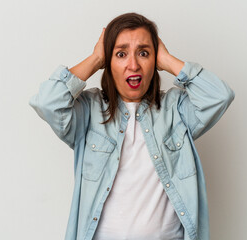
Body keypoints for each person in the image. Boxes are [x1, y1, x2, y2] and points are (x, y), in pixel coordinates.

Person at [29, 12, 234, 240]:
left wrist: (166, 60)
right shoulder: (88, 111)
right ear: (109, 62)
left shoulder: (176, 109)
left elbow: (219, 96)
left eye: (144, 53)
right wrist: (96, 58)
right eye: (121, 54)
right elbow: (48, 102)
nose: (133, 64)